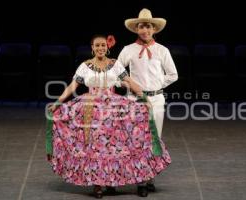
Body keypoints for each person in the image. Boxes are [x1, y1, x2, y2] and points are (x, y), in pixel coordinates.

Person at [46, 34, 171, 198]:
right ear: (92, 47)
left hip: (113, 108)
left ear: (108, 47)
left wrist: (143, 97)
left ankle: (122, 179)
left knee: (114, 146)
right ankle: (98, 185)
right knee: (95, 147)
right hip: (91, 109)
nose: (100, 48)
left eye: (103, 45)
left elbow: (130, 81)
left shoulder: (114, 64)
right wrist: (58, 102)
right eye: (97, 45)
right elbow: (72, 86)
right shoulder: (85, 66)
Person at [118, 8, 178, 194]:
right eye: (142, 26)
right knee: (137, 140)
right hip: (135, 100)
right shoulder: (129, 50)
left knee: (154, 139)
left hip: (156, 99)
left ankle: (149, 177)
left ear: (154, 29)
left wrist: (157, 85)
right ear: (137, 29)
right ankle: (141, 181)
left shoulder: (162, 50)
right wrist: (130, 85)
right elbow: (116, 73)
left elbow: (173, 74)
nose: (145, 30)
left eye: (149, 26)